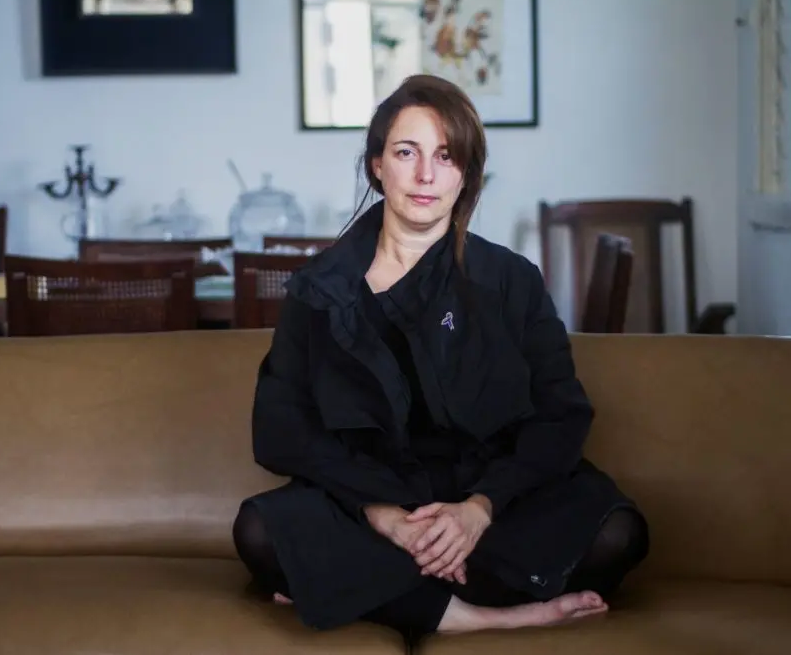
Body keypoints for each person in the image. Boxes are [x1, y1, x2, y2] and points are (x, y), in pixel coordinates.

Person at [232, 74, 649, 639]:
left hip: (490, 505)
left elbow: (562, 414)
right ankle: (478, 615)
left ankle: (370, 593)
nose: (427, 175)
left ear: (467, 173)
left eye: (447, 156)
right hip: (372, 503)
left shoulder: (510, 280)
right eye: (408, 152)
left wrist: (479, 509)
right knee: (259, 531)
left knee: (617, 534)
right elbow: (279, 427)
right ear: (378, 165)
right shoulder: (321, 287)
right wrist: (382, 515)